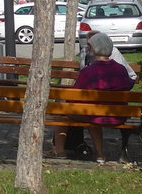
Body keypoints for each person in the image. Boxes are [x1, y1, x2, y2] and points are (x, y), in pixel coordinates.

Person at [51, 31, 134, 163]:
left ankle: (59, 151)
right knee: (94, 111)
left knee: (64, 111)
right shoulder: (121, 70)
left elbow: (74, 96)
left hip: (94, 115)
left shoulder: (88, 71)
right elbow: (129, 85)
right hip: (118, 116)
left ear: (93, 49)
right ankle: (100, 154)